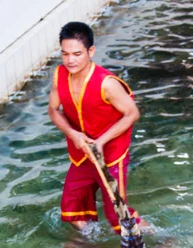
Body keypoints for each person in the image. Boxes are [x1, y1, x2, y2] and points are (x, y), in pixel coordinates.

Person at [48, 21, 143, 234]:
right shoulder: (59, 75)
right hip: (82, 152)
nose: (70, 60)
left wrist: (100, 141)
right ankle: (90, 245)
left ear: (91, 51)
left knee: (117, 217)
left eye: (77, 54)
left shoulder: (106, 83)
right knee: (72, 209)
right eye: (65, 54)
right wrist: (72, 133)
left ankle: (160, 239)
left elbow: (132, 113)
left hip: (110, 153)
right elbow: (53, 110)